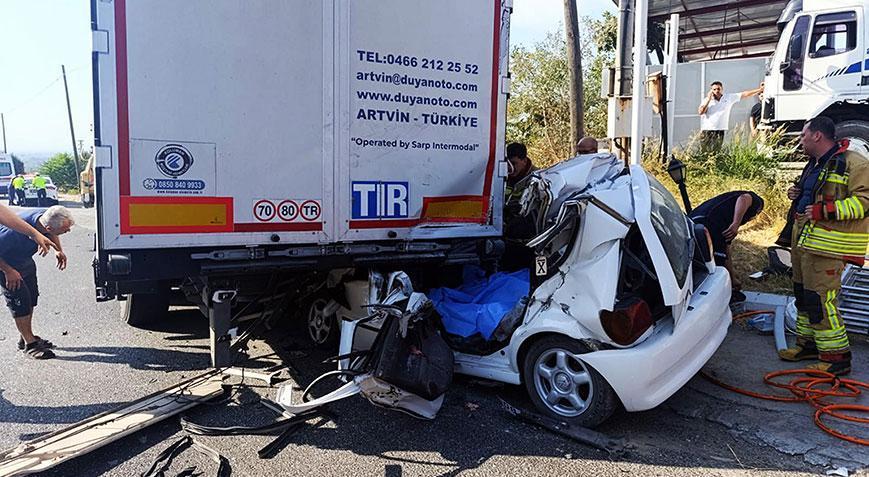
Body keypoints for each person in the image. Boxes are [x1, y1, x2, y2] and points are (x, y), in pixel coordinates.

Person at [778, 116, 869, 376]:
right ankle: (807, 345)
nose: (800, 140)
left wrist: (824, 210)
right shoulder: (816, 163)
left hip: (829, 245)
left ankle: (836, 359)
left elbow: (865, 202)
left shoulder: (854, 163)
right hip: (805, 240)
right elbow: (814, 192)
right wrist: (797, 195)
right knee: (804, 297)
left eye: (803, 135)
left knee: (820, 300)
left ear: (817, 135)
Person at [0, 205, 72, 359]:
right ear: (47, 227)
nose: (68, 232)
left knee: (31, 297)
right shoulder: (12, 233)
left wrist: (58, 250)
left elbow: (51, 233)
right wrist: (8, 271)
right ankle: (30, 344)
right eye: (65, 230)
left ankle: (26, 336)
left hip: (24, 259)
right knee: (19, 301)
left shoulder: (44, 218)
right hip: (6, 263)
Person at [689, 191, 765, 303]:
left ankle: (704, 292)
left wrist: (732, 278)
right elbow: (744, 198)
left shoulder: (726, 216)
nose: (751, 219)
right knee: (715, 266)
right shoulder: (756, 201)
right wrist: (735, 224)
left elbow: (725, 250)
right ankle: (717, 298)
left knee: (704, 260)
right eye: (754, 216)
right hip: (708, 222)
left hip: (694, 222)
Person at [697, 81, 763, 150]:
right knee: (704, 150)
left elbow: (745, 94)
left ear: (722, 89)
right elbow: (701, 112)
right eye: (714, 89)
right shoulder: (706, 100)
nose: (716, 91)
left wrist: (760, 90)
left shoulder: (728, 98)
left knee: (716, 150)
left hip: (719, 130)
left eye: (718, 89)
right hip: (707, 129)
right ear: (711, 91)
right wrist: (709, 99)